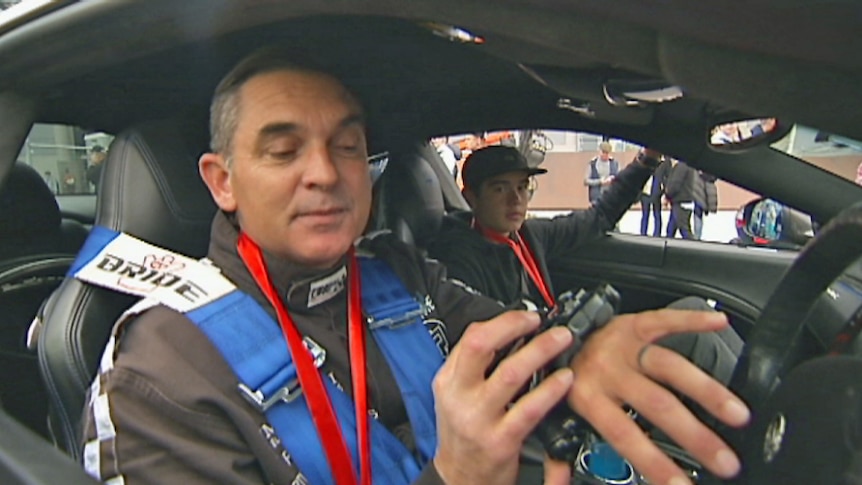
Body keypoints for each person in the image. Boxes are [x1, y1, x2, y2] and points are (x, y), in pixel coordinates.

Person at [80, 49, 748, 485]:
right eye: (284, 152)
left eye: (348, 145)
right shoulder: (159, 370)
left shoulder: (394, 270)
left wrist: (580, 351)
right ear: (222, 182)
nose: (325, 174)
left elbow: (510, 340)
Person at [665, 159, 698, 240]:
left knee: (684, 230)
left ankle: (694, 248)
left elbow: (675, 185)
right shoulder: (689, 165)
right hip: (684, 201)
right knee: (670, 229)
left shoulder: (681, 166)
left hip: (680, 201)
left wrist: (667, 195)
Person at [639, 156, 669, 236]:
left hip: (657, 192)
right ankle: (643, 233)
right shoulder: (645, 159)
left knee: (657, 214)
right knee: (645, 214)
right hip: (645, 192)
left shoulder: (664, 163)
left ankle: (657, 234)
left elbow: (667, 177)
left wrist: (664, 191)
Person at [584, 141, 619, 205]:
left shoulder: (614, 163)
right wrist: (600, 181)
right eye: (603, 152)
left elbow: (620, 178)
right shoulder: (593, 163)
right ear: (599, 151)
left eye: (607, 153)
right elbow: (586, 181)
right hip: (595, 198)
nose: (605, 155)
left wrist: (613, 179)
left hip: (610, 197)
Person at [693, 171, 718, 240]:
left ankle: (697, 236)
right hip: (703, 189)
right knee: (698, 212)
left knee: (698, 212)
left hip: (700, 189)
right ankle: (697, 235)